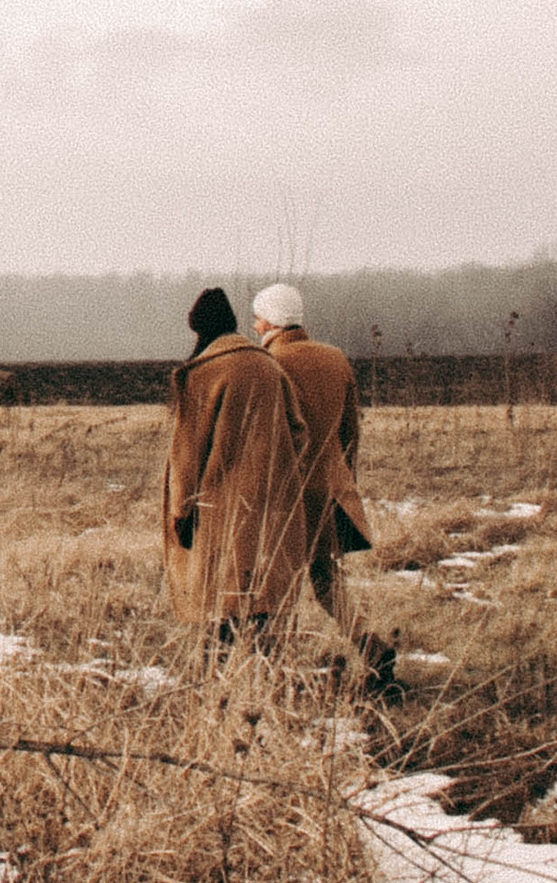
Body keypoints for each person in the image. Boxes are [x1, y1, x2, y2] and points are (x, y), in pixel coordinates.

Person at [252, 280, 397, 689]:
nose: (255, 324)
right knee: (325, 578)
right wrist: (344, 480)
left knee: (275, 584)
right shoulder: (335, 359)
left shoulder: (268, 365)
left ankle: (268, 671)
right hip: (329, 490)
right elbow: (351, 432)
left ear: (274, 321)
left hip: (286, 493)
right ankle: (369, 645)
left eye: (259, 316)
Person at [159, 285, 310, 640]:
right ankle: (263, 680)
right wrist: (284, 476)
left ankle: (225, 687)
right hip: (271, 505)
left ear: (199, 330)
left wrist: (181, 511)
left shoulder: (202, 373)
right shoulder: (268, 365)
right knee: (259, 599)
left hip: (218, 511)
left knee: (220, 607)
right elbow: (299, 433)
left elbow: (187, 455)